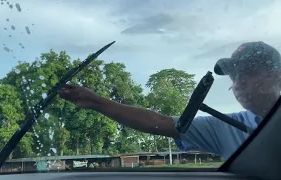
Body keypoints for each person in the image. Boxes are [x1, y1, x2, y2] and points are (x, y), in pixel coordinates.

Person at [58, 41, 281, 160]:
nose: (238, 81)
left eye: (249, 71)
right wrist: (98, 103)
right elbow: (158, 122)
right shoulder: (222, 127)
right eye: (234, 74)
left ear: (276, 74)